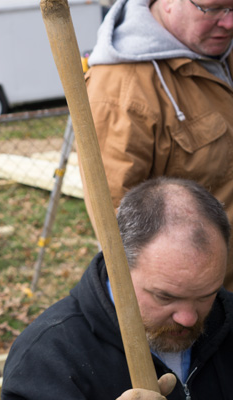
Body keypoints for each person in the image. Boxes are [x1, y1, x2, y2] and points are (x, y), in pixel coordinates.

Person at [2, 177, 233, 399]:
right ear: (118, 266)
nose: (188, 319)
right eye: (165, 296)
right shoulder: (47, 358)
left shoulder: (228, 318)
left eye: (206, 295)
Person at [84, 0, 233, 291]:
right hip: (205, 304)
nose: (229, 23)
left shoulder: (219, 49)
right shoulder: (121, 91)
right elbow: (122, 235)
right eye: (213, 8)